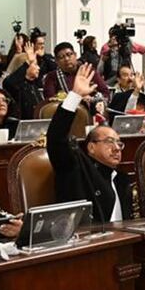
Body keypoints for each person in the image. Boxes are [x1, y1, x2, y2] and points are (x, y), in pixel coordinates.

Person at [47, 62, 130, 222]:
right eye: (109, 142)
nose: (116, 149)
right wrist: (75, 95)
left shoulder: (121, 178)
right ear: (91, 147)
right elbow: (56, 138)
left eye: (119, 143)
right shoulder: (75, 167)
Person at [43, 42, 109, 101]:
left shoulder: (88, 71)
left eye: (69, 54)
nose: (66, 59)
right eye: (61, 57)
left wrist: (92, 99)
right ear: (56, 61)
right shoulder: (51, 77)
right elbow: (49, 99)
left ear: (75, 55)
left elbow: (105, 93)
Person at [2, 42, 45, 121]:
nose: (38, 68)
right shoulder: (16, 85)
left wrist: (43, 56)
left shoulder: (34, 84)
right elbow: (8, 82)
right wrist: (28, 62)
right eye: (35, 64)